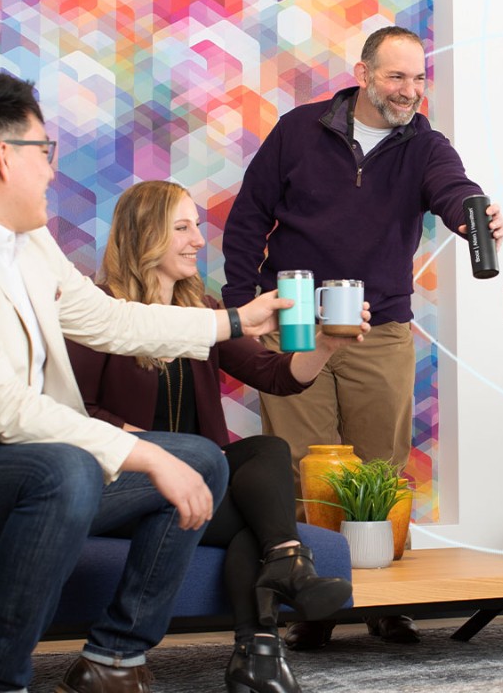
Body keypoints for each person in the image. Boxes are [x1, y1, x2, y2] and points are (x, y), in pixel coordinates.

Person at [0, 70, 294, 693]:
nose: (52, 169)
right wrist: (142, 453)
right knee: (67, 468)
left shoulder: (28, 243)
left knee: (203, 457)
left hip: (9, 466)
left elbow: (106, 319)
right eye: (44, 152)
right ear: (2, 158)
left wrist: (236, 319)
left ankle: (114, 660)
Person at [221, 24, 503, 648]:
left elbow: (452, 191)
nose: (408, 90)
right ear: (364, 72)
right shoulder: (301, 129)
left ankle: (384, 600)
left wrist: (473, 214)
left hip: (381, 325)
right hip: (296, 317)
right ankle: (315, 602)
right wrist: (243, 308)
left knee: (380, 468)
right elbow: (247, 218)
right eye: (396, 76)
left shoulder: (427, 147)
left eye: (418, 79)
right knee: (304, 466)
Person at [67, 181, 369, 693]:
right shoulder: (99, 310)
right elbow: (75, 411)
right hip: (130, 483)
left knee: (267, 460)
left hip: (198, 484)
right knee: (251, 509)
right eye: (181, 227)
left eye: (196, 227)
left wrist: (327, 345)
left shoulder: (202, 310)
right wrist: (156, 450)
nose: (197, 240)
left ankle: (279, 582)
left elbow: (277, 375)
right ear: (145, 235)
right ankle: (263, 648)